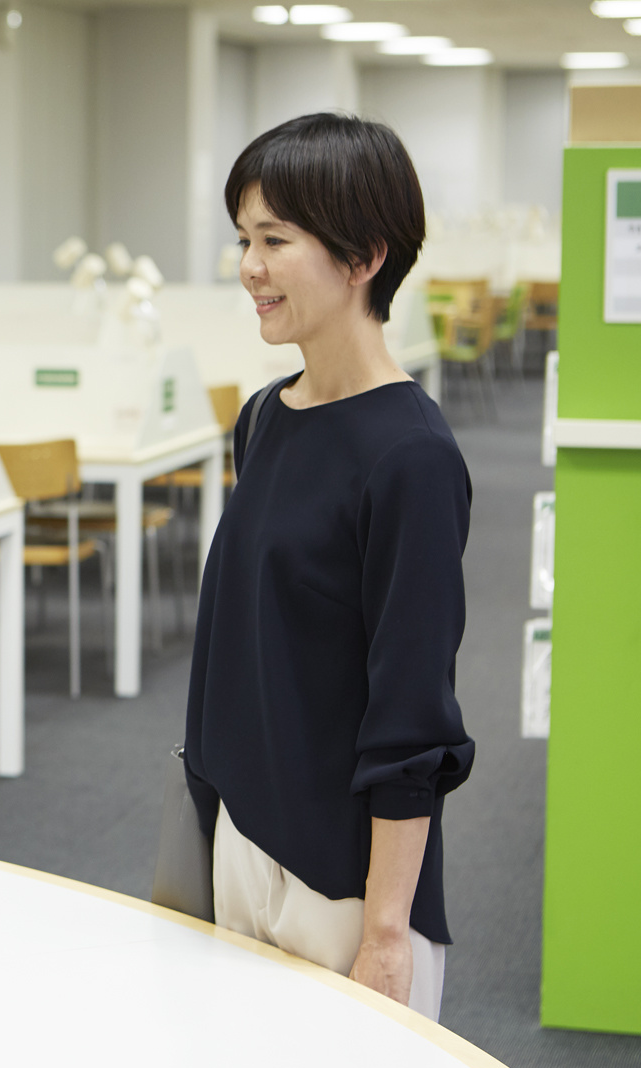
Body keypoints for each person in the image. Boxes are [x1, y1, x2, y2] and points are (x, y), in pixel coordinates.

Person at [183, 112, 474, 1021]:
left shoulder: (412, 457)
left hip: (345, 889)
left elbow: (412, 716)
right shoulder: (266, 418)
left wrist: (386, 931)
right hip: (242, 841)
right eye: (243, 239)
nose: (250, 268)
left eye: (276, 239)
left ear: (363, 257)